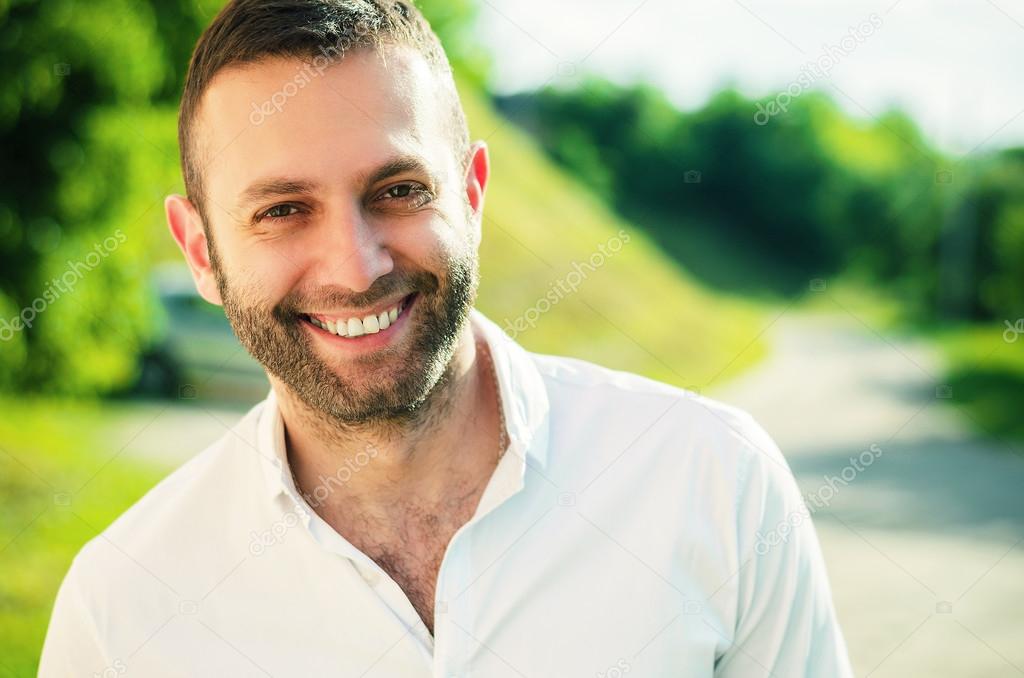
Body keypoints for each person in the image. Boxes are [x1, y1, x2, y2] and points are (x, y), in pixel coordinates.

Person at [39, 1, 853, 675]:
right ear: (200, 252)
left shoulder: (714, 481)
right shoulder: (123, 610)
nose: (355, 269)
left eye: (396, 190)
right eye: (282, 210)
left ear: (471, 194)